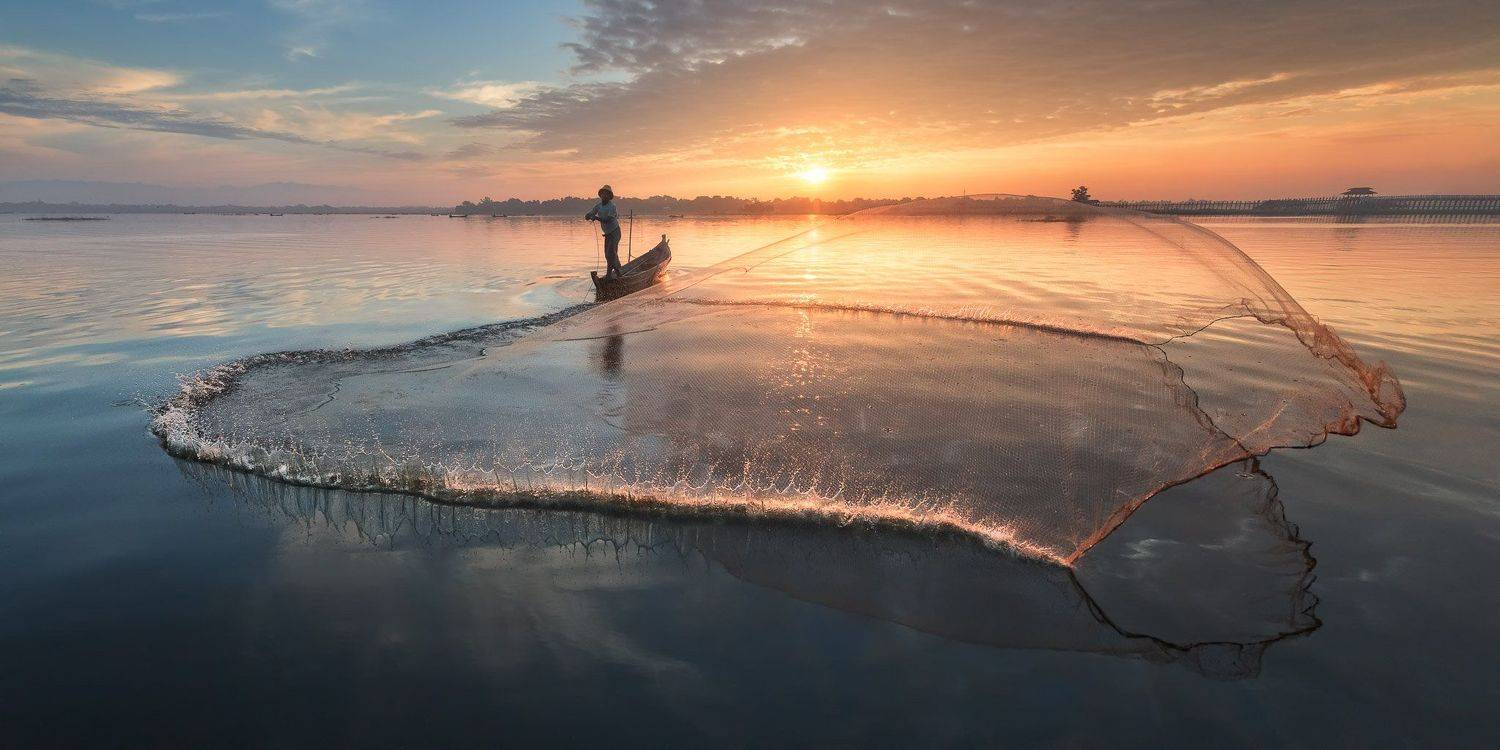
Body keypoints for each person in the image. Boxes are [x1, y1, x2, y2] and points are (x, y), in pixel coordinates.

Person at [584, 185, 623, 278]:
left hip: (615, 232)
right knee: (608, 255)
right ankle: (616, 274)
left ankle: (611, 275)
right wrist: (588, 215)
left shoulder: (612, 206)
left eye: (606, 194)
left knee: (611, 253)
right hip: (608, 234)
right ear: (600, 195)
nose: (604, 195)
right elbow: (590, 214)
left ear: (609, 196)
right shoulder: (598, 206)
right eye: (603, 194)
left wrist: (596, 218)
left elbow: (608, 220)